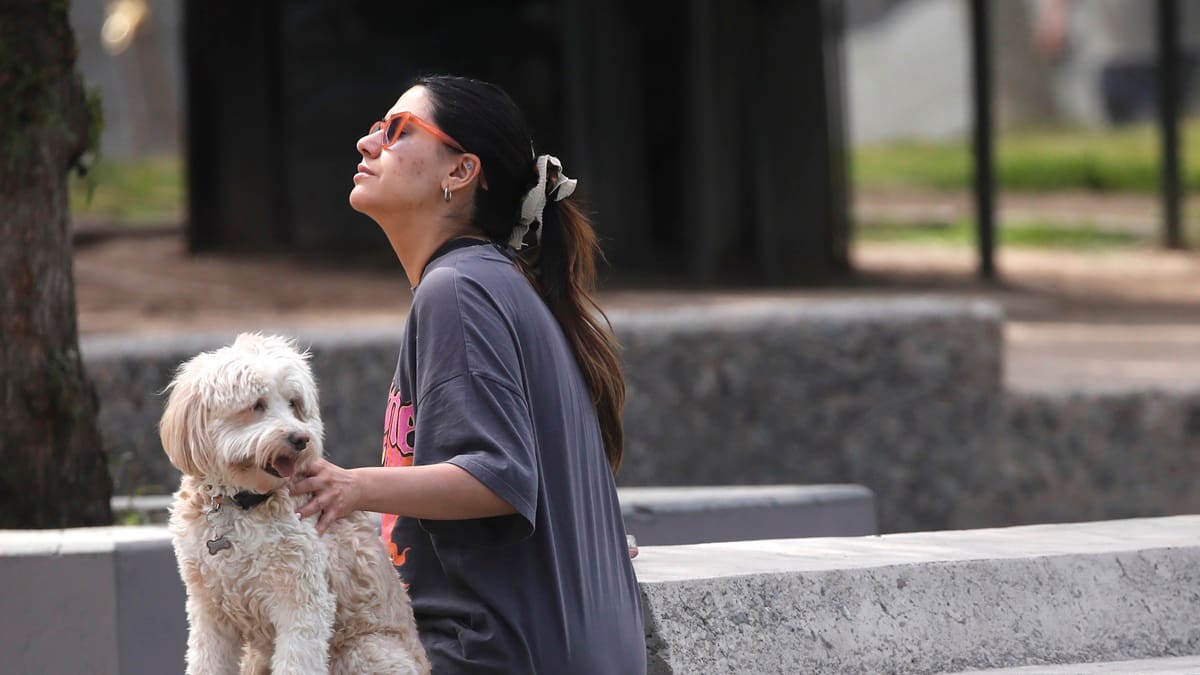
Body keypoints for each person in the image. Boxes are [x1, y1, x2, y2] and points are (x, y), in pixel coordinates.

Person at [289, 75, 647, 674]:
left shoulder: (458, 291)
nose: (366, 143)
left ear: (460, 172)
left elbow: (496, 478)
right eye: (377, 127)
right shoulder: (494, 283)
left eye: (397, 130)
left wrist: (351, 486)